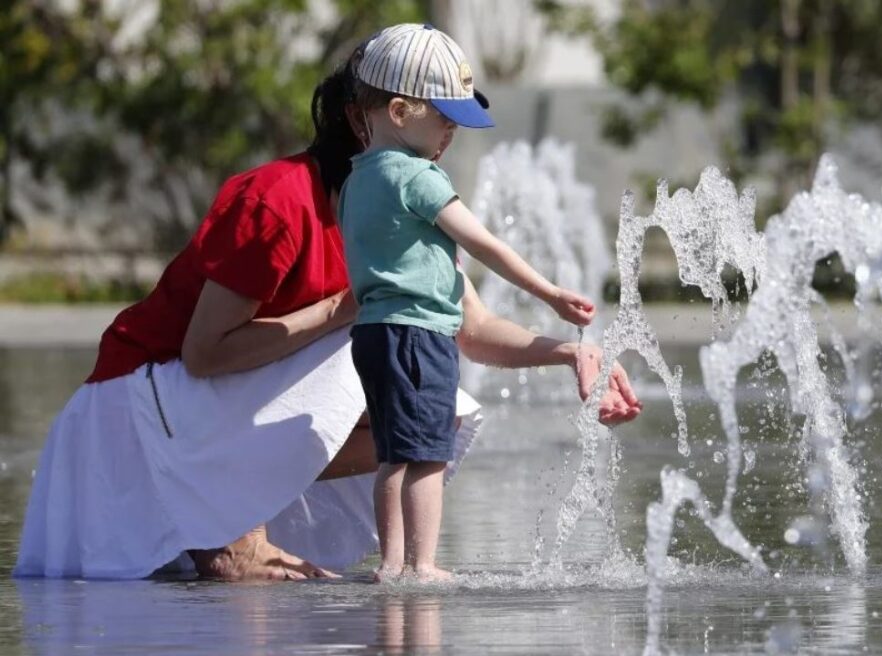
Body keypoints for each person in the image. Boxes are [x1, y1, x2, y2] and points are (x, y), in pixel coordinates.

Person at [13, 35, 641, 582]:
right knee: (368, 340)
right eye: (440, 118)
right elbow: (204, 355)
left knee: (433, 411)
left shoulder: (408, 208)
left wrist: (570, 353)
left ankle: (243, 517)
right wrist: (339, 311)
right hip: (131, 412)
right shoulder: (279, 201)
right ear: (375, 117)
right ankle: (233, 524)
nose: (449, 137)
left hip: (204, 416)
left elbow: (470, 331)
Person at [338, 24, 596, 582]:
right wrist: (549, 294)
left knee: (392, 454)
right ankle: (423, 564)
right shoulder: (418, 176)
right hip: (419, 334)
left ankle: (391, 563)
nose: (451, 131)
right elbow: (483, 242)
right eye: (444, 117)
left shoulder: (357, 180)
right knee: (430, 452)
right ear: (401, 111)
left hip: (375, 332)